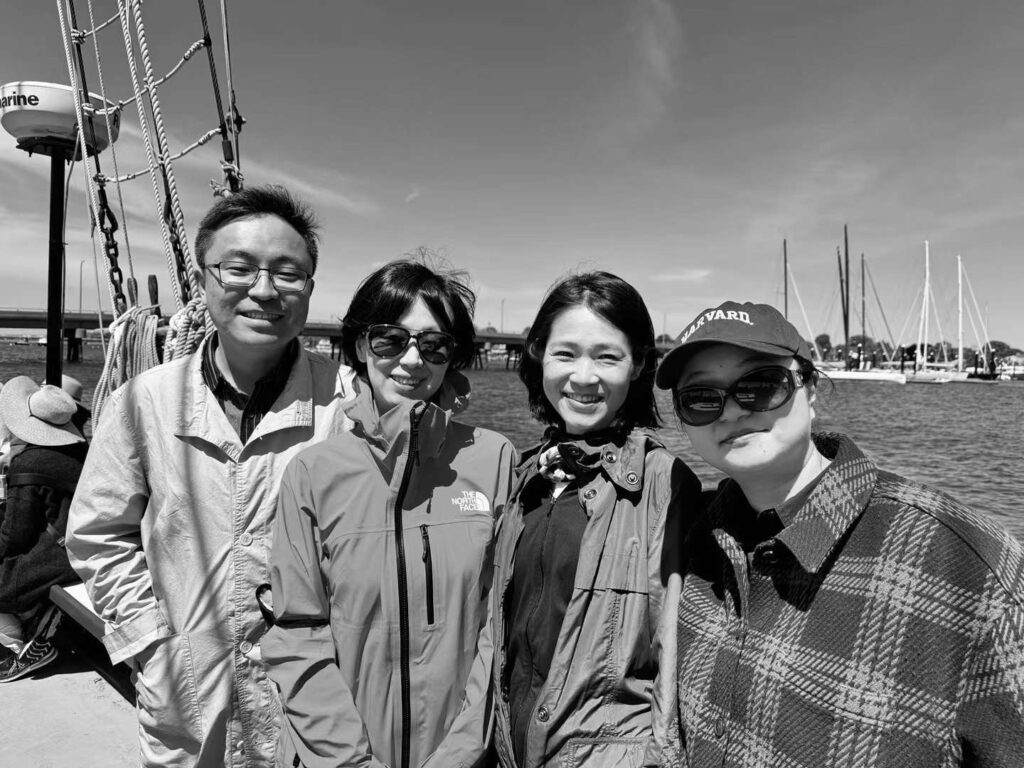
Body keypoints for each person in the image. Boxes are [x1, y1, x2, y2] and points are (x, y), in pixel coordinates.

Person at [650, 300, 1024, 767]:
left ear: (809, 389)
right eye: (701, 398)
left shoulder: (966, 562)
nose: (729, 412)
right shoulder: (691, 541)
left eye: (761, 385)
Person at [66, 185, 359, 768]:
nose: (265, 290)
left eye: (289, 273)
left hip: (316, 692)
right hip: (187, 694)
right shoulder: (144, 401)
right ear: (203, 280)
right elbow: (98, 533)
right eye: (240, 268)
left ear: (309, 289)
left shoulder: (349, 402)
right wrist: (152, 643)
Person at [262, 259, 516, 768]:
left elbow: (500, 626)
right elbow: (295, 630)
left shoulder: (496, 459)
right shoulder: (313, 473)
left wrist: (462, 753)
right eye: (389, 340)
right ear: (359, 346)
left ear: (452, 356)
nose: (412, 360)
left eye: (434, 344)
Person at [489, 271, 701, 768]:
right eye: (565, 353)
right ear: (539, 353)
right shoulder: (522, 475)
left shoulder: (666, 485)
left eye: (607, 356)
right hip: (506, 750)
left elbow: (678, 666)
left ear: (639, 363)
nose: (584, 377)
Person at [0, 378, 88, 681]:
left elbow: (14, 534)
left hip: (63, 558)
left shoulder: (30, 463)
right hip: (84, 547)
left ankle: (19, 652)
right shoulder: (81, 453)